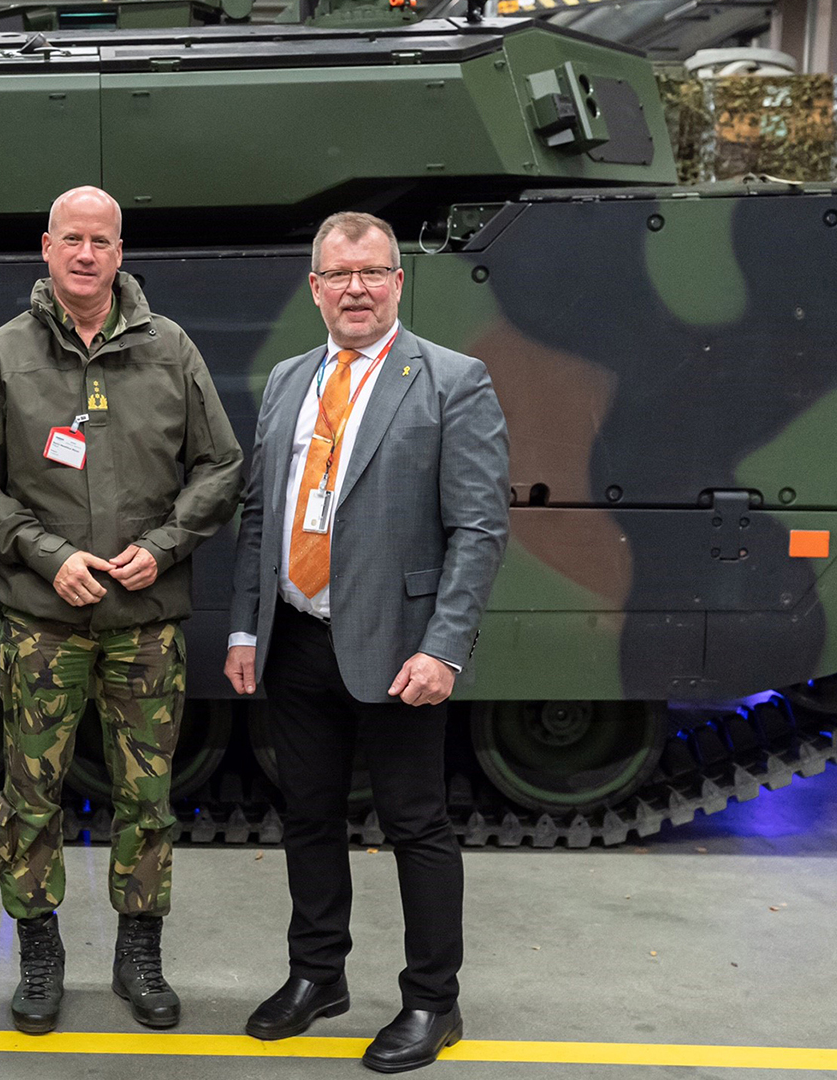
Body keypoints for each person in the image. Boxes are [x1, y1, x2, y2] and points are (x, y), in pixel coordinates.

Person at [0, 185, 243, 1035]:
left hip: (146, 625)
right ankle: (38, 949)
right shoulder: (6, 355)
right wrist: (49, 555)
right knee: (29, 796)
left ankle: (138, 950)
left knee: (146, 798)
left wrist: (164, 546)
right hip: (42, 623)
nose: (86, 254)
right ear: (47, 247)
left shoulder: (170, 349)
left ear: (121, 252)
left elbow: (220, 467)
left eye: (101, 241)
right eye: (71, 239)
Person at [224, 212, 509, 1073]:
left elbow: (480, 528)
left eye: (373, 273)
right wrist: (246, 624)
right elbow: (259, 513)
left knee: (416, 824)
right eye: (338, 274)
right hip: (297, 639)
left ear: (396, 282)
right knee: (308, 816)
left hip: (399, 648)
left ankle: (433, 1002)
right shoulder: (286, 381)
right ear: (315, 287)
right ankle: (318, 976)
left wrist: (444, 648)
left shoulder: (453, 380)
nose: (356, 288)